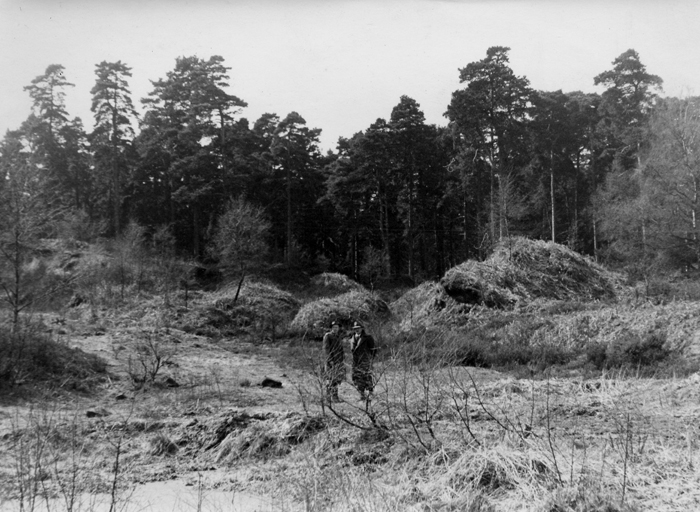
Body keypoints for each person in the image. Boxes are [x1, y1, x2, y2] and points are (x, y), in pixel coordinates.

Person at [349, 321, 377, 400]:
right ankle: (361, 394)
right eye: (355, 328)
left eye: (358, 328)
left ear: (361, 328)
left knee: (367, 377)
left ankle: (370, 393)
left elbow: (373, 350)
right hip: (355, 362)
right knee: (356, 378)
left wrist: (370, 359)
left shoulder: (368, 337)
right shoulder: (352, 338)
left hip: (365, 361)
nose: (357, 330)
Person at [322, 320, 345, 402]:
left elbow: (341, 349)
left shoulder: (338, 336)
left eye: (337, 327)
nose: (336, 329)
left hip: (338, 361)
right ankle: (328, 398)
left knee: (336, 380)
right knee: (330, 379)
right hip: (330, 362)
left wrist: (341, 360)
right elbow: (326, 349)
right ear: (331, 328)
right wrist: (330, 360)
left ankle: (335, 397)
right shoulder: (328, 336)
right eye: (334, 327)